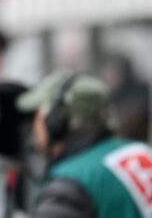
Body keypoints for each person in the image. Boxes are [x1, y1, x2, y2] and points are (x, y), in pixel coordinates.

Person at [16, 70, 152, 218]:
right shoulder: (142, 149)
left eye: (38, 116)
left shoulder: (68, 188)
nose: (34, 126)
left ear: (56, 121)